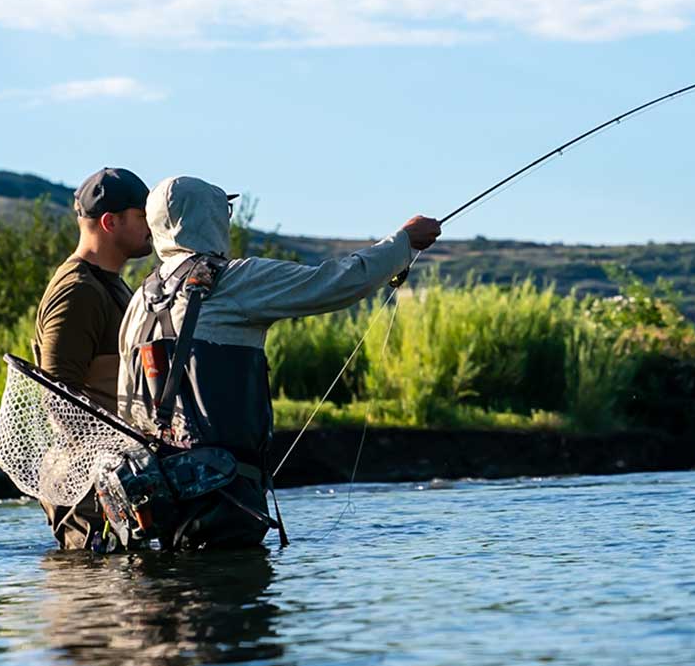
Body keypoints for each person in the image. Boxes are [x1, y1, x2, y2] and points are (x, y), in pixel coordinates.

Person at [116, 175, 442, 551]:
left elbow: (126, 402)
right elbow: (336, 282)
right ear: (208, 217)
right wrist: (403, 242)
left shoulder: (140, 300)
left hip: (159, 505)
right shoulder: (232, 281)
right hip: (225, 502)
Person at [34, 167, 155, 548]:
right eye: (142, 216)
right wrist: (107, 466)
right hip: (85, 490)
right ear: (109, 221)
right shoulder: (77, 291)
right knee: (92, 597)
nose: (152, 226)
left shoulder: (109, 283)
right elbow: (57, 396)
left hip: (112, 478)